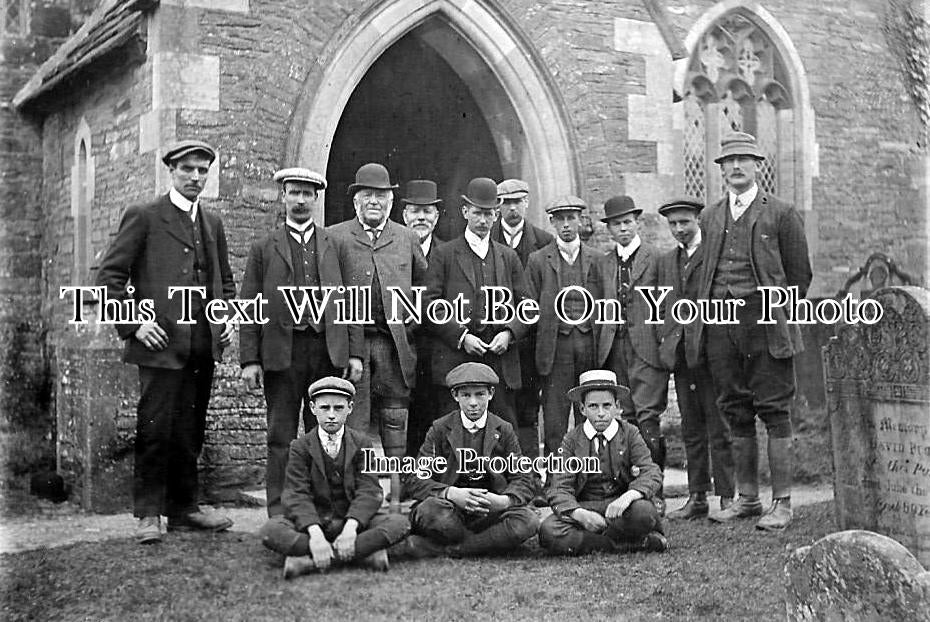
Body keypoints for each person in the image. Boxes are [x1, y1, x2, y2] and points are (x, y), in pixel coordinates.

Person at [95, 139, 235, 544]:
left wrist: (225, 319)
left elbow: (224, 282)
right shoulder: (145, 216)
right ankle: (148, 513)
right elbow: (108, 278)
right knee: (155, 430)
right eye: (187, 169)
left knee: (190, 430)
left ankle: (184, 508)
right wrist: (134, 324)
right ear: (171, 171)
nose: (196, 177)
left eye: (202, 170)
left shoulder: (212, 223)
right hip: (159, 346)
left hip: (201, 346)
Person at [695, 132, 812, 531]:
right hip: (722, 324)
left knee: (775, 410)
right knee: (734, 407)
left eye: (743, 159)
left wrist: (778, 315)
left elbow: (800, 275)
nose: (736, 167)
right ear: (721, 169)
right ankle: (747, 499)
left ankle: (782, 503)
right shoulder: (710, 216)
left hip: (766, 326)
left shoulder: (781, 213)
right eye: (729, 161)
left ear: (757, 165)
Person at [239, 167, 362, 517]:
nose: (301, 200)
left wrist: (354, 353)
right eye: (294, 192)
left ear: (316, 198)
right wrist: (250, 359)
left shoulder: (335, 245)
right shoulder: (264, 248)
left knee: (325, 432)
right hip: (282, 352)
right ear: (283, 196)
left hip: (326, 350)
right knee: (280, 435)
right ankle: (279, 512)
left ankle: (322, 508)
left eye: (307, 194)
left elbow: (351, 301)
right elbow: (250, 305)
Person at [329, 163, 428, 493]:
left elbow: (425, 285)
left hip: (394, 344)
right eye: (367, 195)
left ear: (391, 201)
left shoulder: (406, 237)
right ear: (355, 201)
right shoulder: (336, 236)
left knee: (395, 418)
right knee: (353, 419)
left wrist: (414, 316)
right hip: (353, 346)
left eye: (381, 196)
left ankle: (397, 494)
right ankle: (357, 494)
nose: (374, 201)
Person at [258, 377, 410, 578]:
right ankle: (364, 555)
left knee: (400, 523)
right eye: (324, 408)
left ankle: (307, 561)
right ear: (313, 408)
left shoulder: (362, 443)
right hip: (315, 522)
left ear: (350, 408)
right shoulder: (300, 447)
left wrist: (351, 528)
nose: (331, 415)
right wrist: (315, 534)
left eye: (338, 408)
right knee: (271, 530)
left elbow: (369, 490)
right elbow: (296, 494)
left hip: (351, 522)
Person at [424, 177, 529, 428]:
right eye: (477, 213)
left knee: (503, 432)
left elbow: (527, 306)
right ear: (465, 212)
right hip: (457, 359)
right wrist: (462, 337)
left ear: (496, 215)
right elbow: (429, 304)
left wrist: (509, 333)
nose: (483, 220)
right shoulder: (444, 254)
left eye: (489, 214)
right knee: (455, 432)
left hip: (499, 362)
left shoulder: (508, 256)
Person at [403, 362, 539, 556]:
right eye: (466, 395)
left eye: (480, 394)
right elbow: (416, 479)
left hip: (489, 510)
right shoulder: (440, 429)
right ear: (455, 396)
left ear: (491, 394)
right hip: (451, 510)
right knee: (430, 511)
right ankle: (485, 543)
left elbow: (524, 478)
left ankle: (449, 549)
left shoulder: (504, 429)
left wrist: (503, 501)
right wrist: (451, 493)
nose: (473, 403)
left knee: (528, 520)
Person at [587, 195, 669, 513]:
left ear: (637, 223)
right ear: (608, 229)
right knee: (625, 419)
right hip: (614, 348)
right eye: (616, 224)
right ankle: (629, 488)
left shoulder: (656, 258)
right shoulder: (604, 263)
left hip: (647, 349)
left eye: (627, 222)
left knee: (648, 418)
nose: (622, 228)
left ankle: (654, 491)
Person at [656, 197, 734, 519]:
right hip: (682, 357)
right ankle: (697, 496)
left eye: (684, 222)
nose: (679, 229)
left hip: (711, 355)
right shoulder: (667, 261)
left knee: (719, 426)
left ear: (698, 220)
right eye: (673, 224)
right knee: (691, 428)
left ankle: (727, 496)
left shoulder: (714, 256)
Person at [539, 370, 668, 555]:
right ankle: (630, 544)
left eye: (607, 406)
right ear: (582, 409)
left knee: (644, 513)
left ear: (617, 407)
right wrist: (580, 514)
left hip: (622, 508)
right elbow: (559, 487)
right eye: (593, 406)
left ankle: (595, 540)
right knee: (549, 530)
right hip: (587, 507)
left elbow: (651, 472)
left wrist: (628, 497)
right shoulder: (572, 440)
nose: (601, 413)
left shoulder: (630, 433)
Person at [525, 195, 598, 455]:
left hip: (589, 345)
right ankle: (556, 476)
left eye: (571, 218)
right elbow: (528, 308)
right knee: (555, 418)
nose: (566, 224)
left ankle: (589, 473)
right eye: (560, 219)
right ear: (552, 223)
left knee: (589, 415)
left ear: (580, 220)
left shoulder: (597, 259)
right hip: (555, 348)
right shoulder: (538, 260)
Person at [491, 179, 553, 456]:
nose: (512, 208)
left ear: (527, 203)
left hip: (530, 342)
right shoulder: (487, 238)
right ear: (498, 207)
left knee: (528, 407)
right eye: (506, 203)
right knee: (497, 406)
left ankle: (529, 471)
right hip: (495, 341)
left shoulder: (544, 241)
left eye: (517, 202)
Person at [400, 179, 444, 452]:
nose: (421, 217)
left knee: (432, 410)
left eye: (427, 212)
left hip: (434, 345)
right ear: (405, 215)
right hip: (400, 343)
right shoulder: (393, 249)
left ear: (436, 217)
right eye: (415, 211)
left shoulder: (447, 252)